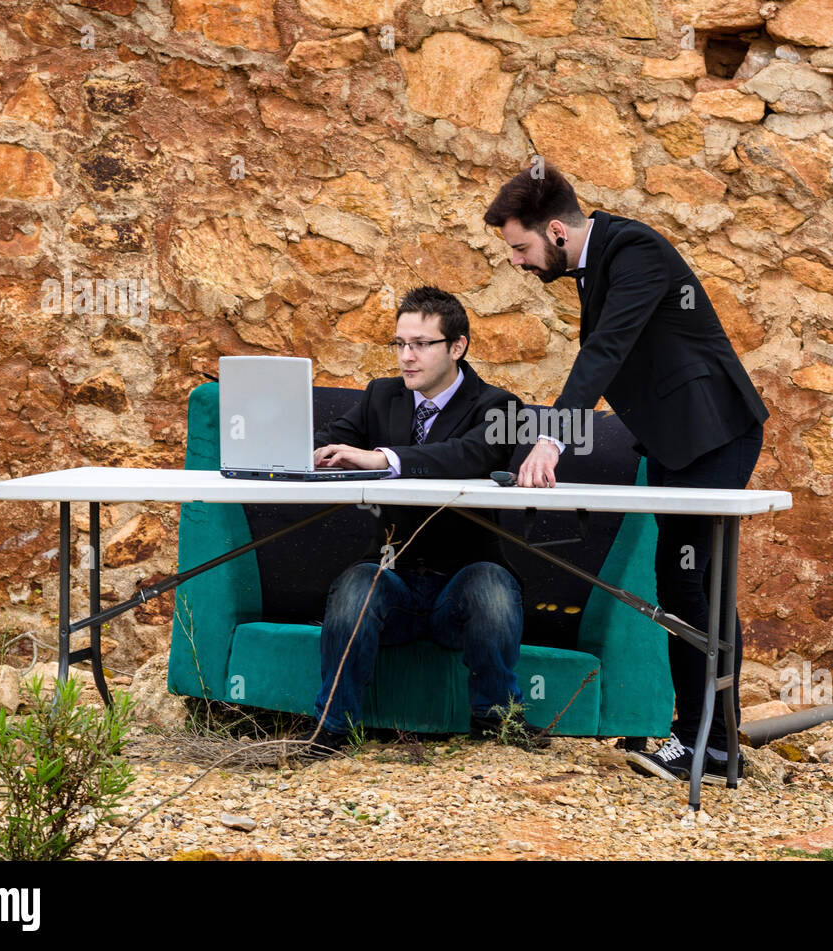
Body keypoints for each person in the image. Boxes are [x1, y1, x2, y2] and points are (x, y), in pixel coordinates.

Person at [484, 166, 769, 784]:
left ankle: (708, 743)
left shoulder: (634, 250)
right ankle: (709, 741)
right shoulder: (597, 260)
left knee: (695, 587)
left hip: (715, 437)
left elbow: (606, 350)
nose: (517, 262)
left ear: (556, 231)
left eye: (521, 248)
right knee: (685, 586)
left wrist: (553, 439)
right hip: (675, 443)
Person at [297, 286, 548, 756]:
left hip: (463, 587)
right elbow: (335, 439)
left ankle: (497, 722)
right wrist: (307, 451)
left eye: (420, 344)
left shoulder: (499, 405)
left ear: (457, 347)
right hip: (393, 581)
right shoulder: (380, 396)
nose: (406, 357)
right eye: (399, 344)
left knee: (491, 587)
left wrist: (378, 458)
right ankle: (332, 729)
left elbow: (472, 454)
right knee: (355, 587)